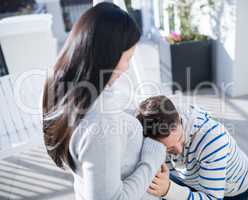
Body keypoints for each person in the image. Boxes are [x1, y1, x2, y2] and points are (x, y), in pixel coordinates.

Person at [42, 2, 166, 200]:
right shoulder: (100, 121)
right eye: (128, 57)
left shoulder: (68, 92)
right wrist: (151, 160)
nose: (126, 68)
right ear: (108, 55)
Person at [136, 95, 248, 200]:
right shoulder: (147, 139)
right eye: (169, 149)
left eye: (180, 138)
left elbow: (213, 198)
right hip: (191, 180)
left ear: (178, 120)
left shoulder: (213, 138)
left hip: (230, 192)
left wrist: (168, 190)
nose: (179, 151)